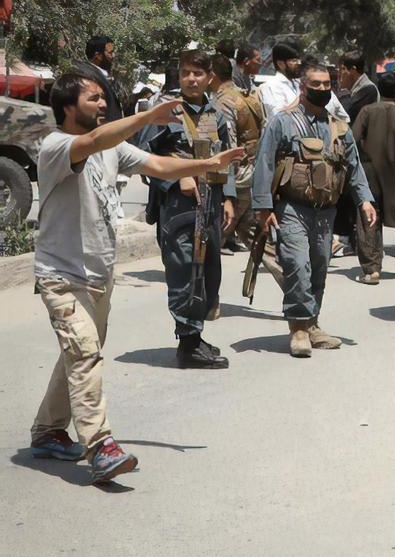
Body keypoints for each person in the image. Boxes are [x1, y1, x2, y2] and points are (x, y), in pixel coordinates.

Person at [26, 73, 243, 483]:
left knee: (77, 356)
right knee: (85, 354)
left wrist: (207, 164)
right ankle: (100, 445)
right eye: (93, 99)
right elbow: (93, 143)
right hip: (62, 276)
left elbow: (158, 164)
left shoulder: (111, 147)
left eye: (103, 98)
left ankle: (48, 432)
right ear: (68, 107)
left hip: (98, 275)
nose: (103, 103)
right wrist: (146, 119)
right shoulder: (58, 147)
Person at [252, 60, 377, 357]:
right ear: (302, 86)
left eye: (326, 84)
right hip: (292, 207)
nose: (321, 89)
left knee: (319, 267)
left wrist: (365, 200)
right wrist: (262, 207)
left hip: (325, 211)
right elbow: (265, 163)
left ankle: (312, 323)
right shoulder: (283, 121)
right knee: (297, 265)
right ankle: (297, 328)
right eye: (315, 85)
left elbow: (353, 167)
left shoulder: (338, 126)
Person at [137, 50, 238, 369]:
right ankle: (188, 343)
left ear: (210, 77)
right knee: (184, 270)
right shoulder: (167, 112)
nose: (191, 79)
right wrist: (176, 176)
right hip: (178, 210)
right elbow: (140, 158)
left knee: (208, 273)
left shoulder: (214, 114)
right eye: (185, 73)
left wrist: (230, 198)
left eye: (197, 73)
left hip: (210, 205)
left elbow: (224, 160)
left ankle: (195, 335)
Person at [352, 71, 395, 283]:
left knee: (369, 217)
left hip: (370, 171)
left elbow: (353, 138)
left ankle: (372, 269)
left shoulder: (367, 111)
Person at [212, 53, 271, 262]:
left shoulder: (224, 102)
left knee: (213, 237)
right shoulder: (249, 96)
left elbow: (228, 144)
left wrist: (227, 187)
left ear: (212, 76)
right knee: (256, 236)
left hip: (235, 180)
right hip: (252, 173)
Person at [259, 37, 350, 122]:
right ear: (280, 64)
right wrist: (303, 98)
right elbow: (277, 119)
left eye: (299, 60)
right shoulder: (270, 86)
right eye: (294, 61)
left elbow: (339, 112)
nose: (299, 63)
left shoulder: (301, 82)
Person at [72, 36, 123, 123]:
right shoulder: (88, 77)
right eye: (110, 53)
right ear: (98, 56)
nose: (113, 56)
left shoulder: (98, 74)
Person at [337, 50, 378, 122]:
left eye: (343, 69)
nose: (340, 73)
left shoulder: (368, 89)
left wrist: (344, 91)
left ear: (353, 70)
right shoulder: (356, 88)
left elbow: (345, 114)